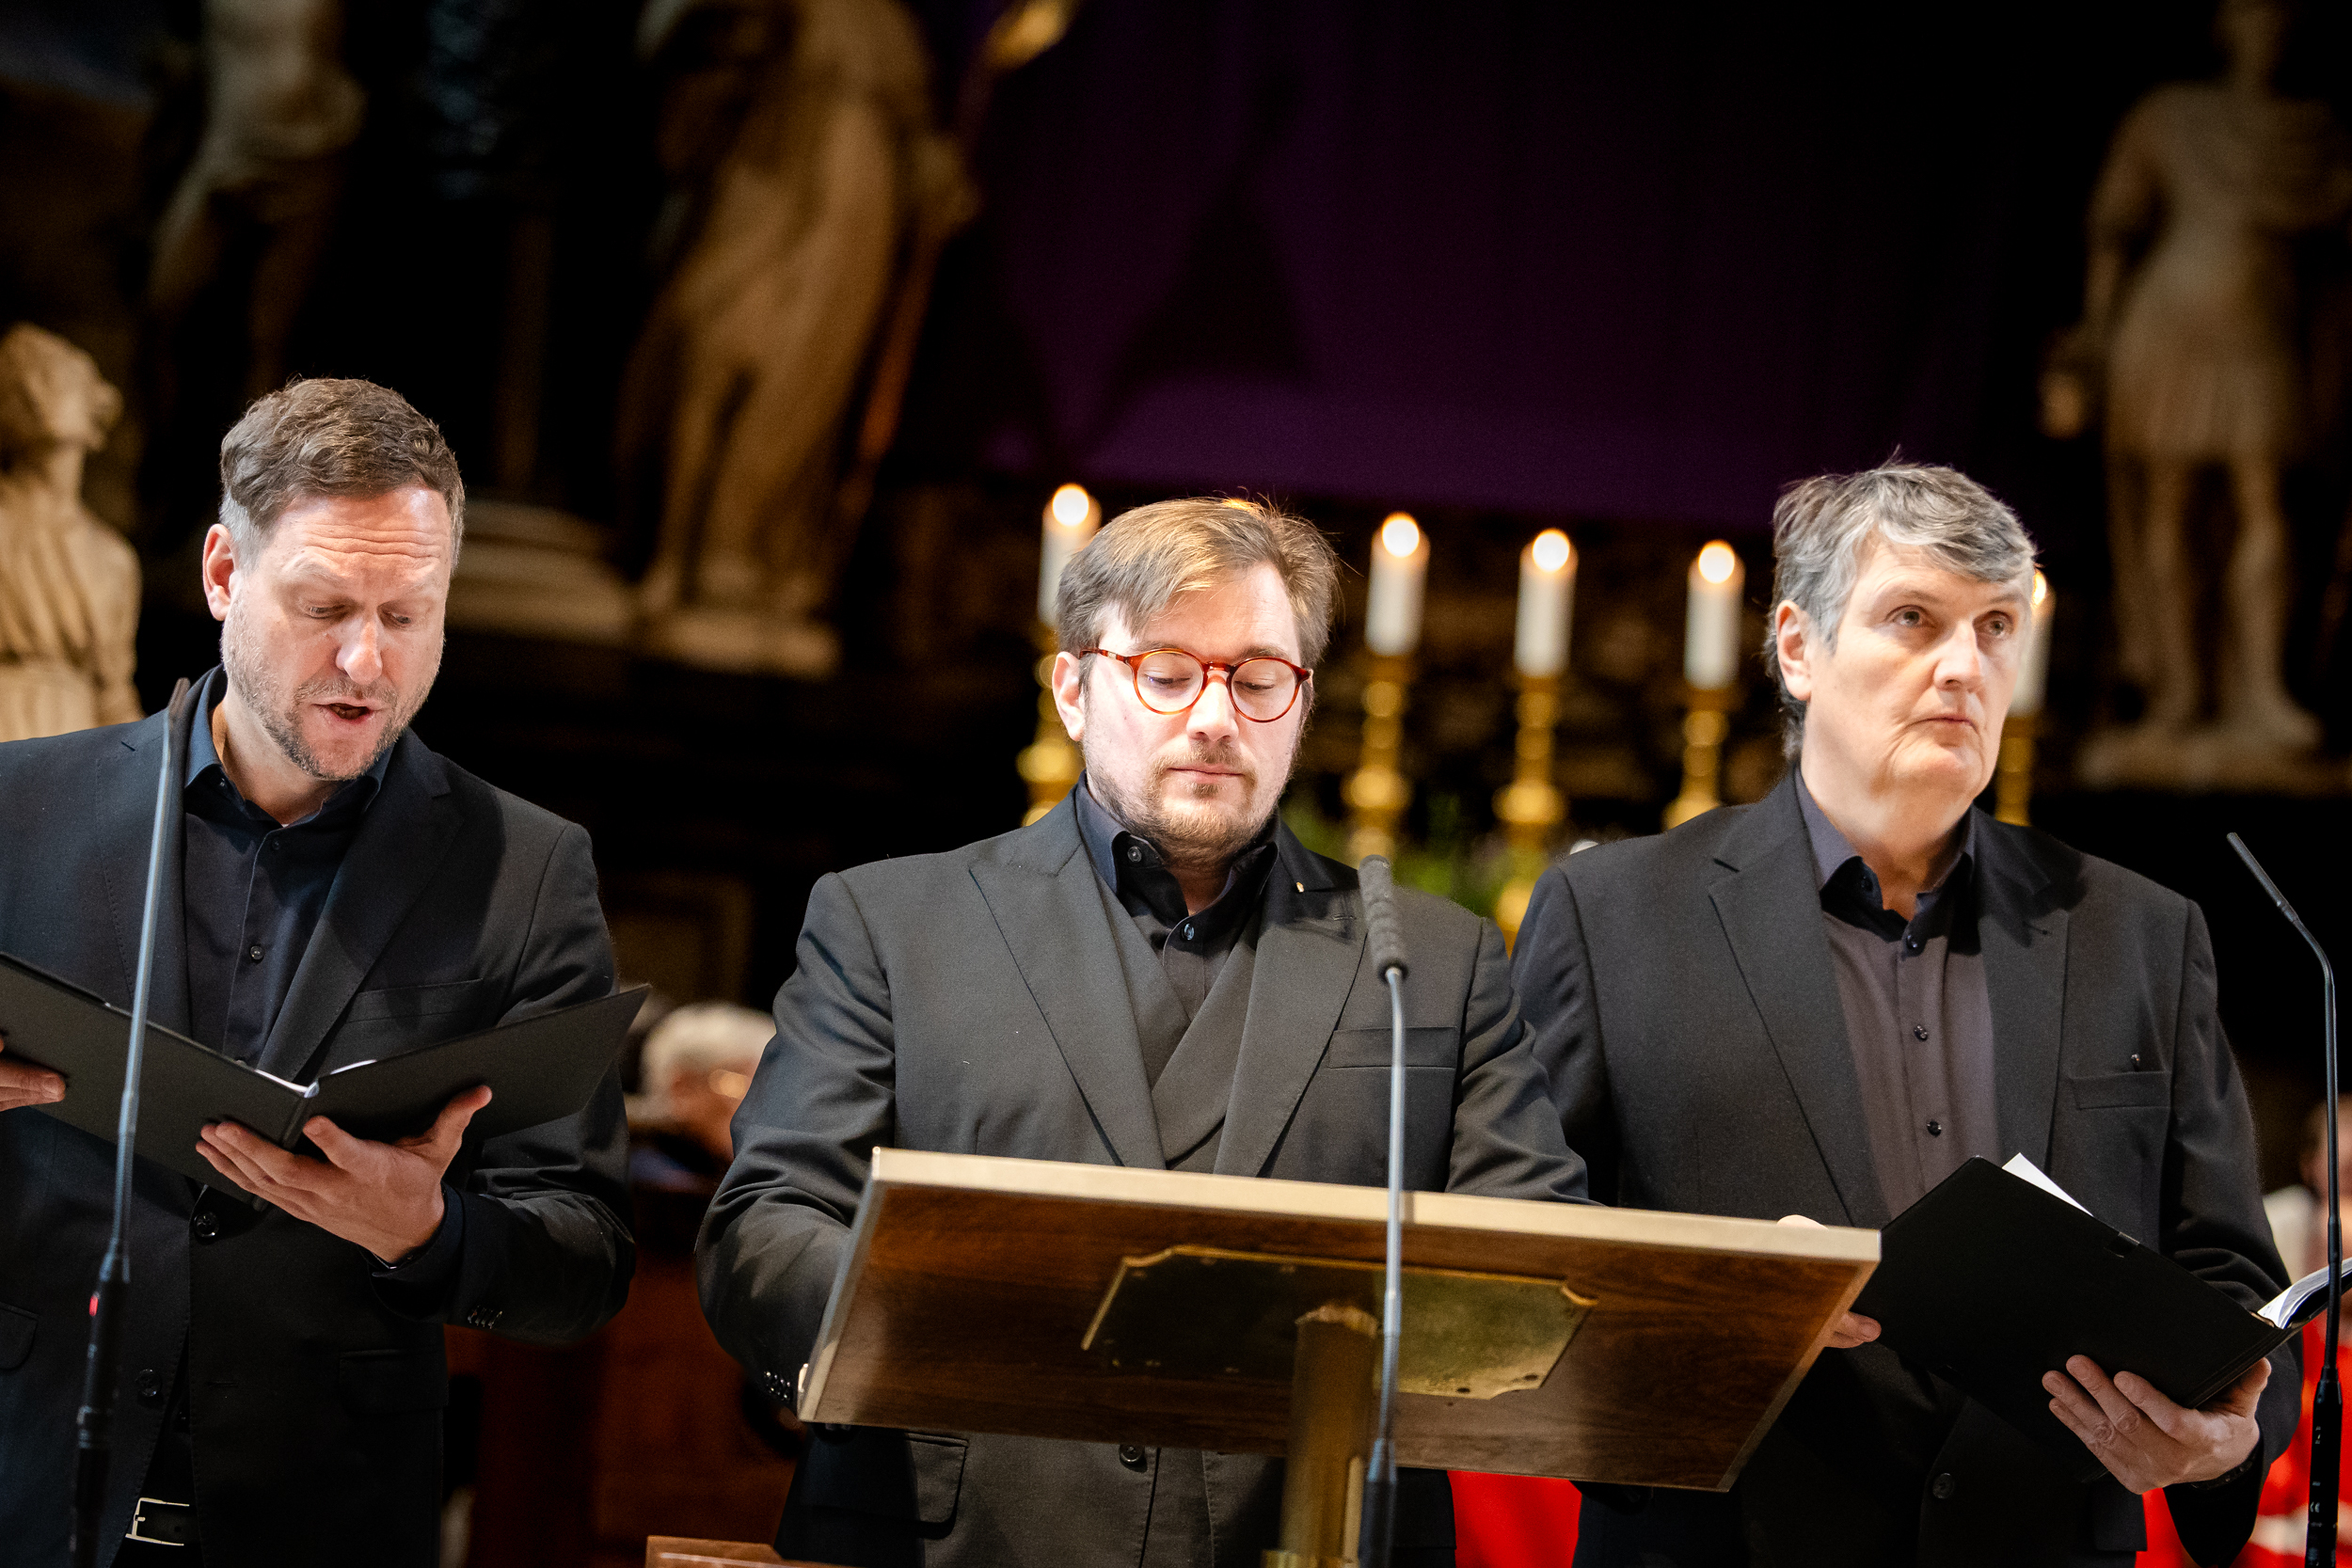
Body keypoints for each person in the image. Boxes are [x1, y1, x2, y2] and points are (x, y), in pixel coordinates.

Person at [698, 496, 1588, 1568]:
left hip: (1305, 1536)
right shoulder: (892, 923)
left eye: (1256, 679)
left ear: (1302, 703)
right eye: (1165, 672)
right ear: (1073, 689)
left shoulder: (1427, 961)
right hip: (949, 1537)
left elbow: (1543, 1271)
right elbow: (768, 1222)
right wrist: (933, 1325)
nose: (1214, 716)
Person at [1512, 463, 2301, 1567]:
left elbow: (2238, 1284)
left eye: (1995, 626)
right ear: (1798, 647)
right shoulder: (1613, 916)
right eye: (1913, 619)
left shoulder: (2138, 931)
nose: (1963, 666)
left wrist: (2226, 1439)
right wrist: (1722, 1305)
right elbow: (1517, 1257)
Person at [0, 379, 634, 1566]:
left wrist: (427, 1228)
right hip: (27, 1495)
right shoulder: (17, 808)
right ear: (222, 574)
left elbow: (585, 1259)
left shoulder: (527, 870)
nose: (366, 658)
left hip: (321, 1521)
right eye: (325, 605)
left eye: (408, 614)